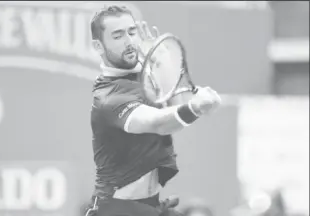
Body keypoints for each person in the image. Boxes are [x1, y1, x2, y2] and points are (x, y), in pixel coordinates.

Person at [83, 5, 222, 216]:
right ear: (98, 46)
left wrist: (165, 64)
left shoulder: (147, 76)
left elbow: (179, 104)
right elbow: (159, 123)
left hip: (151, 206)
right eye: (118, 35)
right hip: (117, 210)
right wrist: (196, 106)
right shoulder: (109, 97)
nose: (129, 41)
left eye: (131, 31)